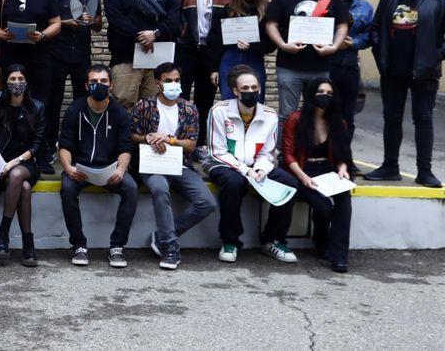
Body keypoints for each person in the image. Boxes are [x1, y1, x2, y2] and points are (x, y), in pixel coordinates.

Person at [365, 0, 445, 187]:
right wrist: (382, 60)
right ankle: (390, 166)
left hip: (425, 72)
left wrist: (434, 56)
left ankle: (425, 171)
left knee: (423, 119)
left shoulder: (440, 0)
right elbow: (376, 30)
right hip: (392, 72)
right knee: (391, 118)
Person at [205, 64, 299, 264]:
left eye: (254, 87)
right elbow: (217, 151)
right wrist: (246, 171)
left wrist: (261, 169)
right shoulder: (219, 111)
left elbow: (267, 152)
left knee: (289, 183)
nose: (251, 92)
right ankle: (229, 241)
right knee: (233, 183)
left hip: (255, 167)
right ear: (235, 91)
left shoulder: (270, 115)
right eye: (245, 88)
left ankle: (272, 240)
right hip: (224, 165)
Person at [128, 62, 215, 270]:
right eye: (168, 81)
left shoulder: (189, 109)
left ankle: (163, 235)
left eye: (177, 80)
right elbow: (132, 135)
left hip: (181, 166)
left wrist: (169, 140)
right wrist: (148, 138)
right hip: (152, 165)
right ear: (158, 84)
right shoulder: (144, 106)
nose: (173, 84)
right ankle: (170, 248)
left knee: (207, 202)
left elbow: (191, 144)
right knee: (159, 188)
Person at [57, 64, 137, 268]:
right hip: (80, 169)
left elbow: (126, 148)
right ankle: (79, 245)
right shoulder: (75, 109)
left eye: (103, 82)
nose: (98, 86)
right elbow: (64, 146)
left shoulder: (120, 113)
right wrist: (68, 168)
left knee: (131, 188)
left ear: (111, 85)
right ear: (86, 85)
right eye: (93, 82)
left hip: (110, 170)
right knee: (66, 188)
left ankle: (117, 246)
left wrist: (120, 169)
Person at [265, 0, 350, 123]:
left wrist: (333, 47)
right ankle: (285, 151)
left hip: (321, 68)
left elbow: (342, 24)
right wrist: (282, 45)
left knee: (319, 115)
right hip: (289, 67)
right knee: (287, 116)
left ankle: (312, 150)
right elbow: (271, 24)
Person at [282, 79, 354, 272]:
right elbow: (288, 153)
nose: (325, 96)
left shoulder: (339, 122)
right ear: (311, 94)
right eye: (321, 92)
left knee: (344, 202)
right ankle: (321, 241)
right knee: (323, 208)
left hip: (329, 171)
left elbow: (343, 153)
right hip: (303, 171)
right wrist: (303, 177)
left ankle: (339, 256)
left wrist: (343, 168)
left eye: (329, 94)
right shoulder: (295, 119)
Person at [0, 65, 44, 267]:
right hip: (0, 165)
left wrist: (15, 162)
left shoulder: (38, 107)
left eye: (20, 78)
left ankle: (3, 234)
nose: (17, 83)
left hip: (27, 163)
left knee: (17, 174)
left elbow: (37, 145)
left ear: (26, 81)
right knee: (24, 188)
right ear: (6, 82)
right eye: (12, 79)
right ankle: (28, 245)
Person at [104, 0, 181, 109]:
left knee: (154, 107)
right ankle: (124, 136)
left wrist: (155, 33)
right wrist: (141, 35)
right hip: (126, 59)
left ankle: (150, 136)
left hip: (157, 60)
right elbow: (115, 18)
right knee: (123, 104)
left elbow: (174, 17)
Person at [0, 0, 62, 129]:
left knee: (41, 102)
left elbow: (56, 24)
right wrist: (0, 34)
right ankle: (12, 143)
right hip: (10, 60)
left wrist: (42, 35)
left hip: (40, 60)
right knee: (10, 102)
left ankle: (42, 146)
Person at [48, 0, 102, 171]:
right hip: (57, 54)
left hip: (82, 55)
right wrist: (66, 22)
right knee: (53, 103)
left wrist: (92, 21)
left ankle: (82, 148)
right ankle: (49, 148)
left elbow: (99, 24)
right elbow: (49, 20)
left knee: (84, 102)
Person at [174, 0, 232, 131]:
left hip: (211, 54)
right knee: (179, 98)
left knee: (205, 101)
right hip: (186, 52)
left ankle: (199, 144)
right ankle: (179, 143)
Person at [330, 0, 374, 152]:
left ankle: (344, 159)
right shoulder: (324, 3)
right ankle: (324, 158)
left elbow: (372, 34)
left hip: (350, 66)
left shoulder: (365, 7)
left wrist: (354, 43)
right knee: (324, 112)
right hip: (326, 64)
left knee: (348, 115)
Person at [211, 0, 272, 101]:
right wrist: (214, 68)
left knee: (255, 101)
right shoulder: (228, 10)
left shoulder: (267, 9)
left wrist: (252, 46)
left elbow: (271, 43)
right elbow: (216, 41)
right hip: (229, 59)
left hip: (254, 59)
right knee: (229, 101)